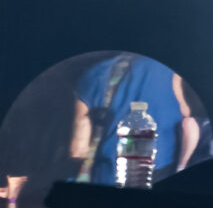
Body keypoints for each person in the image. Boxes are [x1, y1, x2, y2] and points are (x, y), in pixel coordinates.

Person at [69, 53, 202, 185]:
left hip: (107, 176)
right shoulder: (172, 71)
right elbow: (188, 121)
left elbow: (78, 150)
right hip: (159, 173)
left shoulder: (93, 75)